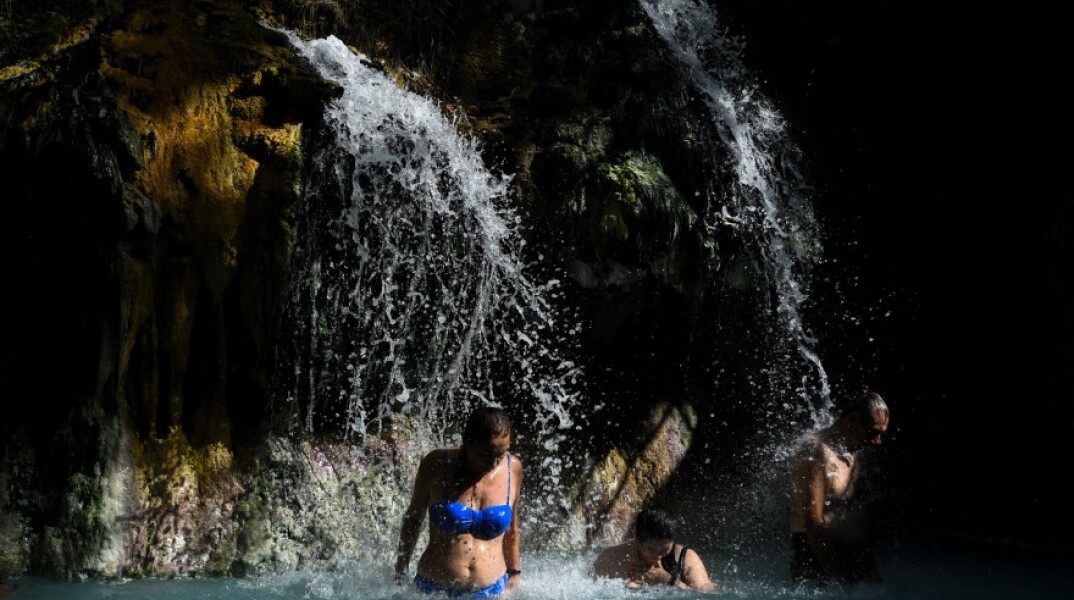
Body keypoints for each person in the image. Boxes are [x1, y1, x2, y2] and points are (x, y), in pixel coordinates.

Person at [394, 406, 523, 597]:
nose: (494, 463)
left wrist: (514, 573)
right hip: (433, 592)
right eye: (485, 455)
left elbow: (512, 527)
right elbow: (414, 517)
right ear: (467, 443)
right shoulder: (437, 464)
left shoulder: (513, 468)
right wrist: (400, 570)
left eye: (501, 454)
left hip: (491, 592)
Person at [788, 389, 891, 586]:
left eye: (881, 434)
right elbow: (812, 523)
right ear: (852, 419)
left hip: (850, 551)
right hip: (817, 554)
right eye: (873, 432)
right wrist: (839, 577)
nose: (876, 442)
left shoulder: (850, 448)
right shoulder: (818, 451)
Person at [591, 505, 716, 592]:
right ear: (638, 541)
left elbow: (704, 595)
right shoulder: (611, 558)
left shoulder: (686, 558)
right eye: (651, 549)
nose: (658, 556)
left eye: (664, 550)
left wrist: (664, 578)